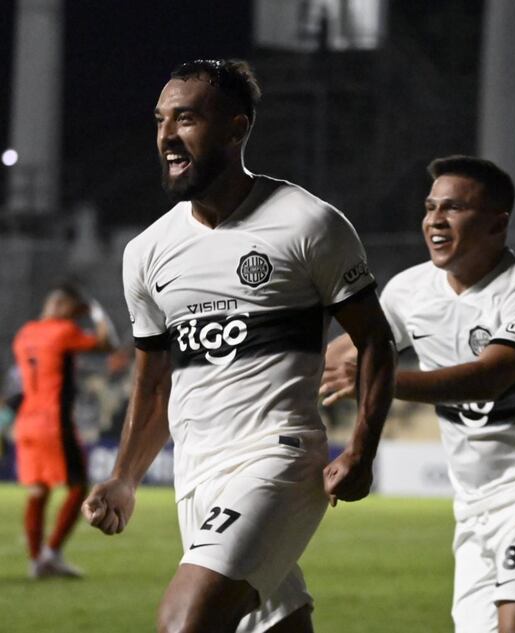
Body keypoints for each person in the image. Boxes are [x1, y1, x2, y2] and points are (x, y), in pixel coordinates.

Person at [81, 58, 395, 633]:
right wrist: (125, 474)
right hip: (196, 472)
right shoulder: (148, 252)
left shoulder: (307, 224)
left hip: (276, 457)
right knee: (277, 626)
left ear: (237, 128)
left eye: (187, 119)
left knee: (185, 621)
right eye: (159, 121)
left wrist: (361, 451)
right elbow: (155, 381)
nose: (168, 136)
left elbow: (374, 342)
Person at [322, 156, 515, 633]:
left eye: (453, 208)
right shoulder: (410, 289)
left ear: (497, 222)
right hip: (472, 505)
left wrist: (376, 377)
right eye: (430, 207)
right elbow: (346, 352)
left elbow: (491, 376)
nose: (435, 220)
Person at [12, 283, 115, 578]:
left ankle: (37, 561)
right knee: (80, 486)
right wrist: (95, 311)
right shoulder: (62, 330)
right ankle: (52, 553)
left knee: (38, 490)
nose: (74, 316)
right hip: (52, 422)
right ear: (60, 306)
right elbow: (107, 343)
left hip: (27, 421)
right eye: (72, 309)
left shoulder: (25, 333)